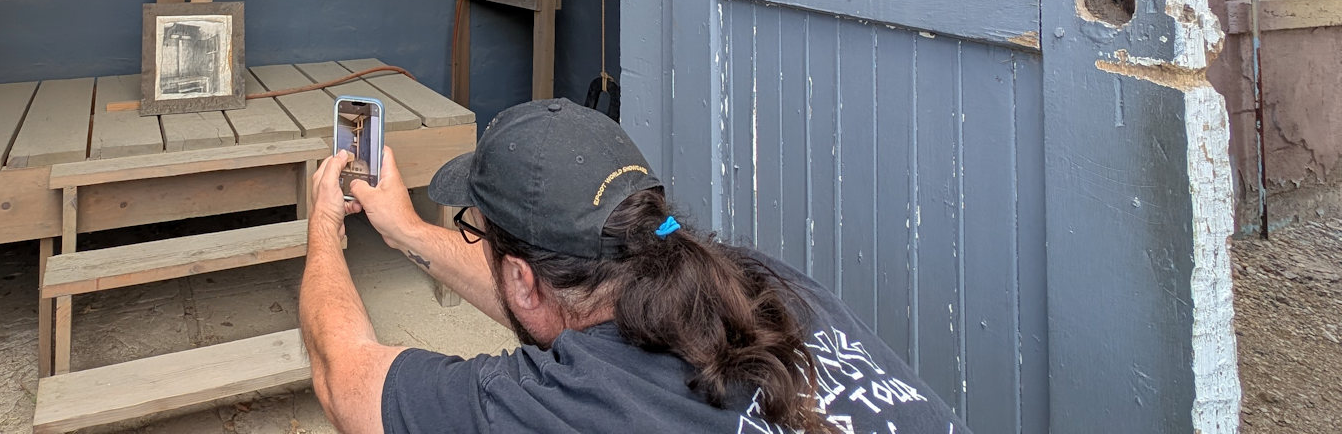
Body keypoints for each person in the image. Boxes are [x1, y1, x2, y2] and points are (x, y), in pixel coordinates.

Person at [299, 98, 968, 434]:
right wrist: (406, 230)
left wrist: (325, 226)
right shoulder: (750, 279)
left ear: (525, 277)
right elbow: (545, 305)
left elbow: (342, 375)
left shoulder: (578, 402)